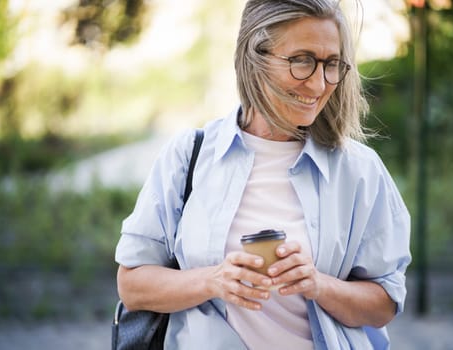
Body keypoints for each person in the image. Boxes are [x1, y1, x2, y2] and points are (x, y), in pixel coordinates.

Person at [115, 0, 411, 349]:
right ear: (255, 57)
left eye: (331, 64)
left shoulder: (359, 170)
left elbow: (384, 304)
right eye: (302, 61)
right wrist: (214, 280)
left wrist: (318, 284)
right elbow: (132, 286)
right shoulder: (188, 156)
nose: (318, 85)